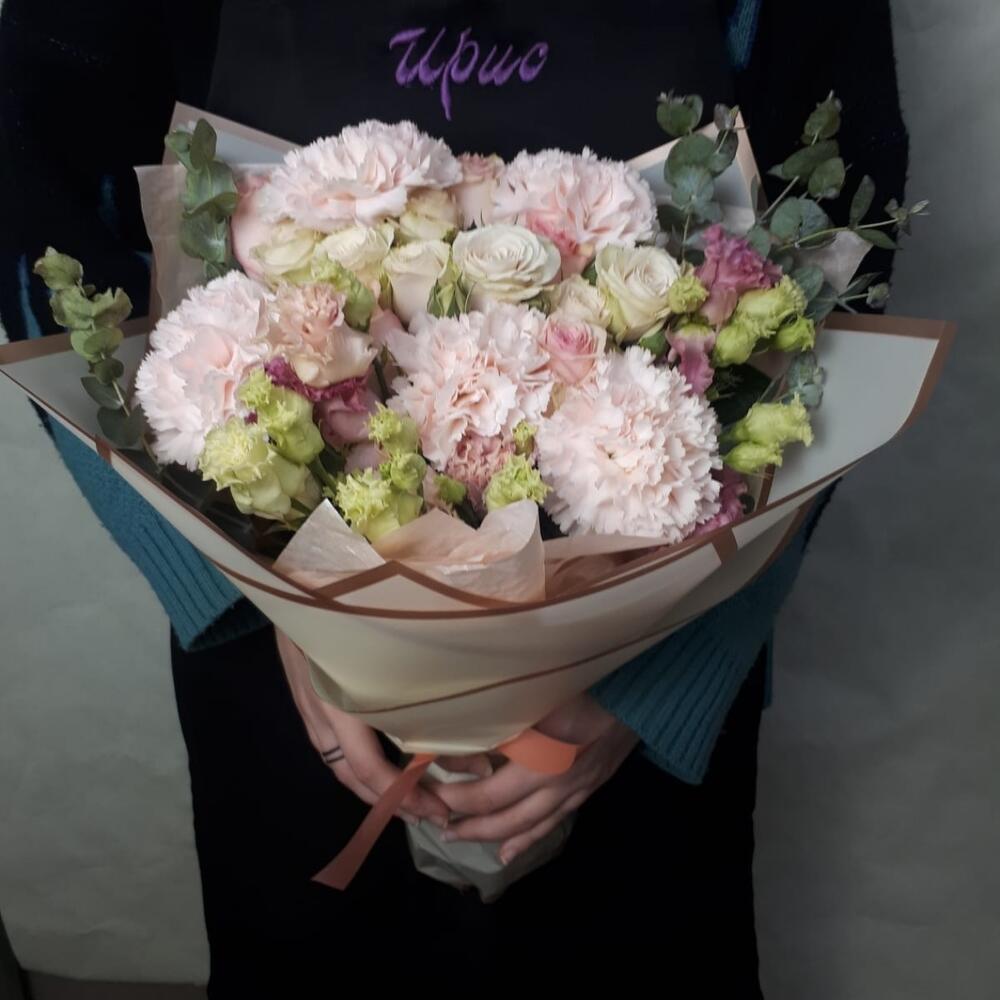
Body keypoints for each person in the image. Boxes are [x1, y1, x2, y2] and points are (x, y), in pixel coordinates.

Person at [0, 1, 908, 995]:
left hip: (655, 652)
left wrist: (668, 674)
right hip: (287, 662)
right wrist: (236, 583)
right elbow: (31, 188)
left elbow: (842, 256)